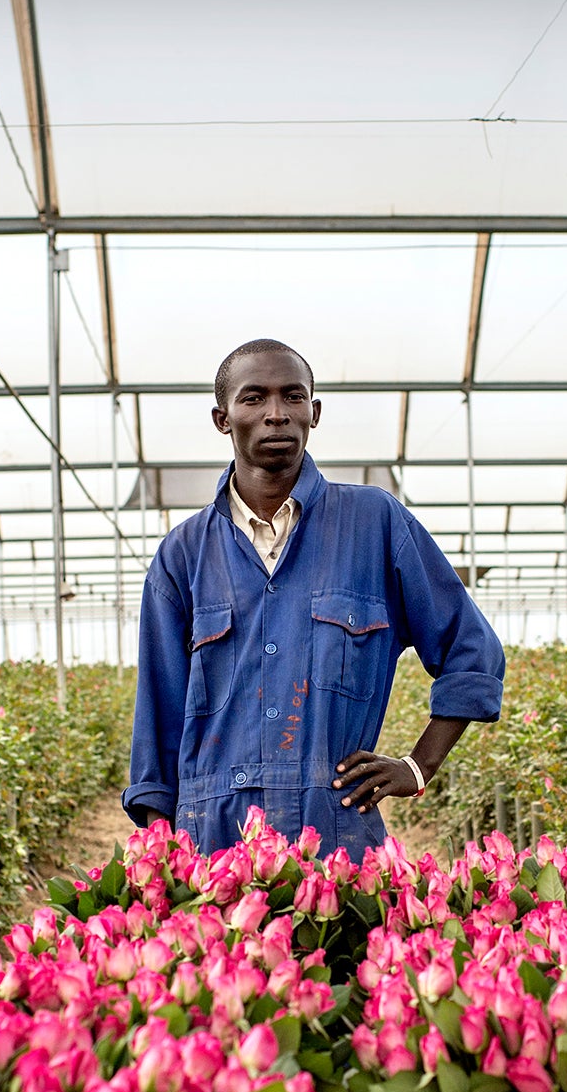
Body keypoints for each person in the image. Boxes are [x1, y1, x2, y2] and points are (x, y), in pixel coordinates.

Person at [122, 338, 505, 855]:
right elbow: (159, 716)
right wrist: (162, 856)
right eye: (253, 398)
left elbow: (471, 650)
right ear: (222, 417)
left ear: (314, 412)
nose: (276, 414)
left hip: (337, 839)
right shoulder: (183, 554)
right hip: (211, 843)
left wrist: (418, 766)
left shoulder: (376, 524)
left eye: (293, 397)